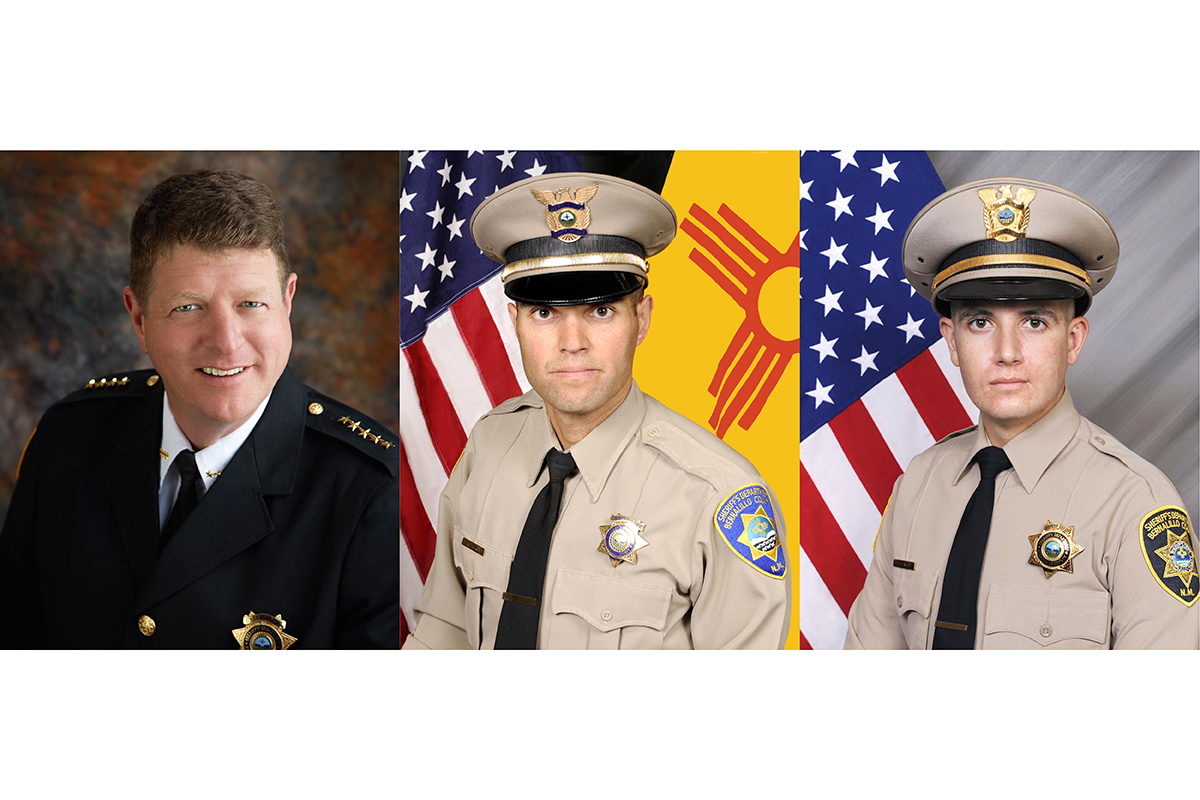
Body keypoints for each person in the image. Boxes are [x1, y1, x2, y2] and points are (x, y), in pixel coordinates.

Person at [0, 168, 399, 649]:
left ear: (287, 301)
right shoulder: (71, 439)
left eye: (251, 303)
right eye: (188, 308)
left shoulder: (372, 492)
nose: (227, 343)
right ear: (139, 319)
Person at [404, 172, 789, 649]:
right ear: (515, 322)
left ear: (641, 319)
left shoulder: (718, 497)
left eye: (600, 311)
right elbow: (445, 630)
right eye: (544, 313)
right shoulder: (491, 444)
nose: (572, 344)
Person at [845, 177, 1198, 649]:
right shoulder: (918, 485)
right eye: (980, 322)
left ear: (1072, 340)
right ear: (951, 341)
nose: (1007, 352)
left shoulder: (1135, 504)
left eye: (1034, 321)